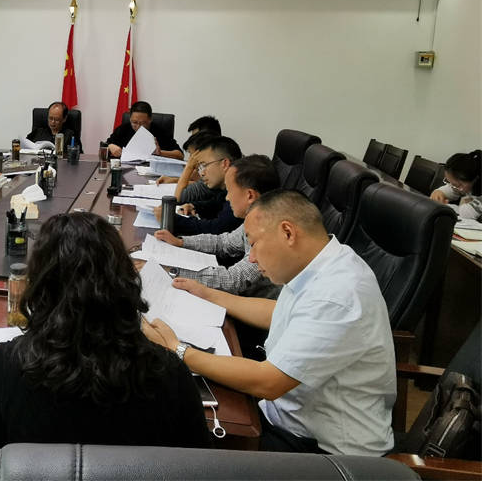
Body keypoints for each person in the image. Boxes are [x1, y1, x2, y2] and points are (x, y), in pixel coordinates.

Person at [144, 190, 396, 456]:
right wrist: (207, 294)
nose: (252, 257)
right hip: (285, 417)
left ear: (288, 233)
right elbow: (278, 312)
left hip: (324, 451)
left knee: (171, 430)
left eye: (253, 244)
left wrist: (178, 350)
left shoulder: (337, 295)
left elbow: (268, 382)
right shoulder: (326, 261)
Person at [0, 212, 211, 479]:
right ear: (124, 282)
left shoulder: (5, 365)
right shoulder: (171, 373)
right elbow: (203, 471)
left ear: (40, 286)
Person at [155, 154, 281, 298]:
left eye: (230, 191)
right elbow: (224, 242)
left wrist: (171, 271)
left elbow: (232, 281)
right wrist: (181, 242)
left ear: (250, 195)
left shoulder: (269, 232)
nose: (227, 197)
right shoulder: (254, 219)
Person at [153, 134, 243, 236]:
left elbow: (218, 228)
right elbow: (216, 204)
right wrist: (194, 206)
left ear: (225, 164)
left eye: (204, 165)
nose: (202, 173)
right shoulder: (227, 187)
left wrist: (173, 220)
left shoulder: (241, 190)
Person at [105, 101, 183, 159]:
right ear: (130, 119)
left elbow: (180, 155)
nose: (138, 126)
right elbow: (105, 145)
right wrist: (110, 146)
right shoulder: (123, 129)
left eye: (143, 123)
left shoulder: (160, 131)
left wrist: (160, 153)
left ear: (150, 120)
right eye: (134, 122)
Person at [430, 150, 481, 221]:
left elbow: (466, 214)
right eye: (449, 182)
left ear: (474, 179)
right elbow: (453, 189)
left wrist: (444, 206)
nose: (454, 187)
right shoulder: (467, 184)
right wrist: (440, 192)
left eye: (458, 185)